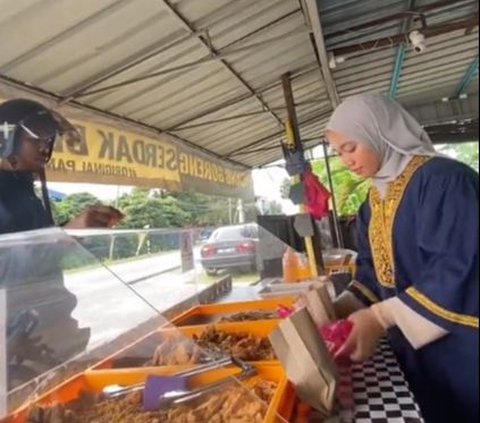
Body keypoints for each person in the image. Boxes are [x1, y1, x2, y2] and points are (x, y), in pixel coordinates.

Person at [326, 93, 478, 423]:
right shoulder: (372, 201)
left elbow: (460, 266)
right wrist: (340, 308)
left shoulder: (445, 181)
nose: (346, 161)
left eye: (351, 147)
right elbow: (371, 270)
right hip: (413, 349)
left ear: (378, 132)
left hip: (464, 347)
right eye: (339, 154)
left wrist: (380, 318)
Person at [0, 98, 123, 388]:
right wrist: (65, 234)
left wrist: (73, 233)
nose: (46, 147)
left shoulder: (23, 187)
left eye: (49, 139)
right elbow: (8, 261)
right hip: (14, 339)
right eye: (37, 139)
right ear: (6, 138)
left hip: (45, 324)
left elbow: (38, 253)